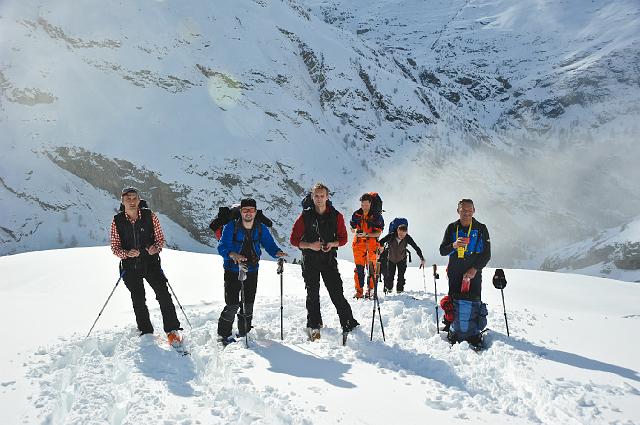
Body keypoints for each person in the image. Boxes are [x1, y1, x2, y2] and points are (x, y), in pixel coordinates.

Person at [110, 187, 183, 347]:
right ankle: (146, 332)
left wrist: (156, 247)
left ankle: (172, 331)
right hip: (130, 266)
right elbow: (115, 247)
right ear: (122, 201)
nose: (131, 200)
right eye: (127, 198)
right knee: (138, 299)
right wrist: (127, 253)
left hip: (151, 263)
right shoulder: (117, 220)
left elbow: (160, 238)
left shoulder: (150, 216)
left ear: (139, 199)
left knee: (163, 294)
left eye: (134, 197)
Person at [290, 183, 360, 340]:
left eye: (322, 196)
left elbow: (343, 239)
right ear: (312, 197)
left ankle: (348, 322)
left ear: (327, 197)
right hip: (309, 260)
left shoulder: (337, 216)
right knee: (312, 293)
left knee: (336, 292)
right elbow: (294, 240)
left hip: (328, 260)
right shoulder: (304, 217)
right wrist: (310, 246)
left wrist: (332, 244)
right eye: (316, 196)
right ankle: (314, 325)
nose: (319, 199)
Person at [217, 198, 286, 344]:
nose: (248, 213)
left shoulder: (260, 228)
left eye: (251, 210)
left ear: (255, 212)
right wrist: (232, 255)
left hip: (252, 269)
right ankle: (223, 335)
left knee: (248, 304)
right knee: (232, 305)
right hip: (232, 269)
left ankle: (244, 333)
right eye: (245, 210)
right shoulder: (231, 226)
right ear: (241, 212)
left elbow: (269, 245)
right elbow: (222, 246)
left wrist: (277, 252)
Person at [438, 198, 491, 332]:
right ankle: (451, 325)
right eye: (463, 210)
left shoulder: (481, 228)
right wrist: (454, 245)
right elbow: (442, 251)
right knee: (453, 299)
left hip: (474, 271)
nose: (466, 213)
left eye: (469, 210)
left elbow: (486, 254)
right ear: (458, 211)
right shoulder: (452, 228)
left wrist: (475, 269)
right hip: (455, 270)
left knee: (475, 299)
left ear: (474, 210)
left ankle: (473, 328)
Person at [350, 193, 384, 299]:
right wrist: (356, 230)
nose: (364, 207)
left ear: (370, 204)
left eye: (366, 204)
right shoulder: (356, 215)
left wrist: (366, 234)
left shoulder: (377, 216)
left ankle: (370, 290)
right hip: (358, 245)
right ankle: (359, 292)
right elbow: (352, 227)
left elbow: (378, 233)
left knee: (371, 269)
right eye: (362, 204)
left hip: (372, 245)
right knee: (359, 269)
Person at [378, 223, 425, 293]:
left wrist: (422, 258)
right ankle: (389, 290)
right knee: (390, 276)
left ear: (406, 232)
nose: (401, 236)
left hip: (402, 259)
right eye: (400, 234)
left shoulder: (408, 238)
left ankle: (400, 291)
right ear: (397, 230)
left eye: (403, 235)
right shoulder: (391, 235)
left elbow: (416, 247)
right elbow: (381, 241)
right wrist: (381, 247)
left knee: (401, 277)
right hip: (391, 259)